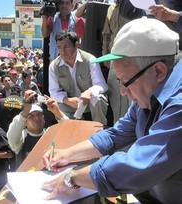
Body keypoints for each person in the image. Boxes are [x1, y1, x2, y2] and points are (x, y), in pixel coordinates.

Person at [42, 18, 182, 203]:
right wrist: (67, 154)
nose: (123, 92)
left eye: (126, 82)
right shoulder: (148, 92)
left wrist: (72, 177)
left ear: (159, 71)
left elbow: (138, 166)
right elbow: (115, 135)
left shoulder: (178, 105)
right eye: (120, 83)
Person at [49, 30, 108, 125]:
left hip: (89, 102)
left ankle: (99, 128)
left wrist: (89, 92)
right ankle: (67, 130)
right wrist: (67, 100)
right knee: (58, 104)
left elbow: (102, 85)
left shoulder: (90, 60)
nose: (63, 51)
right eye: (59, 48)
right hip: (70, 103)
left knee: (98, 97)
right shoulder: (54, 66)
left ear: (76, 45)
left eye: (66, 47)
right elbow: (53, 92)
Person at [7, 90, 68, 169]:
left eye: (39, 115)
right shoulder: (21, 138)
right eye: (31, 116)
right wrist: (26, 109)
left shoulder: (51, 132)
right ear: (24, 122)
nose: (36, 118)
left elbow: (69, 130)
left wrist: (57, 112)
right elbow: (12, 135)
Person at [102, 0, 131, 124]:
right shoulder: (112, 8)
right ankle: (118, 127)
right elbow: (106, 33)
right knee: (114, 93)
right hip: (114, 56)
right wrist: (105, 54)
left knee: (129, 97)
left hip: (131, 55)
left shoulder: (136, 6)